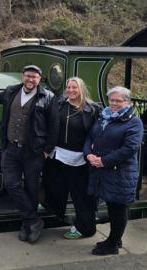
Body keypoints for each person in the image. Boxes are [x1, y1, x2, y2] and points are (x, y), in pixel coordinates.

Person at [0, 65, 59, 243]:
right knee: (11, 184)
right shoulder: (11, 91)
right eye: (28, 76)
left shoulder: (49, 97)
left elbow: (54, 126)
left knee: (31, 187)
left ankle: (27, 224)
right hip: (11, 148)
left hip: (34, 151)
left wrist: (47, 151)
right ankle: (33, 220)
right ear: (23, 76)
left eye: (35, 77)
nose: (31, 79)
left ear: (40, 79)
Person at [84, 86, 143, 255]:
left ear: (127, 102)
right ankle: (115, 239)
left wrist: (103, 161)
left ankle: (112, 244)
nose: (114, 103)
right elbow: (90, 136)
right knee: (111, 204)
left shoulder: (134, 122)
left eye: (119, 100)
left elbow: (130, 148)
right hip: (103, 169)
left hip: (120, 172)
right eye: (112, 100)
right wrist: (88, 154)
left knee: (118, 207)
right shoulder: (104, 116)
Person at [43, 77, 100, 240]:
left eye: (74, 87)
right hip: (58, 154)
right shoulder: (60, 104)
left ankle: (86, 228)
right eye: (68, 87)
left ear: (81, 89)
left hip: (80, 158)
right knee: (55, 186)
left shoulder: (93, 109)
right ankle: (55, 213)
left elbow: (97, 132)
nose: (70, 90)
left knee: (81, 195)